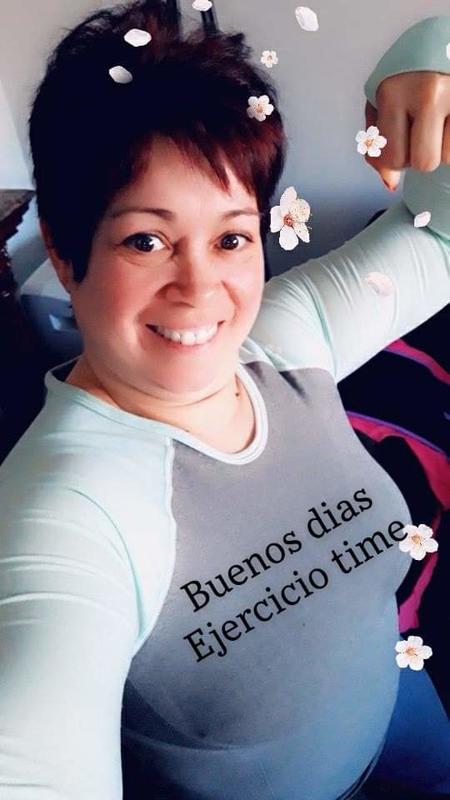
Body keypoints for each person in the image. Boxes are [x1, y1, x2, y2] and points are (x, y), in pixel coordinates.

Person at [0, 2, 449, 798]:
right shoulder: (67, 509)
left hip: (407, 712)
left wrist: (435, 46)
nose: (201, 288)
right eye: (146, 240)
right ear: (67, 255)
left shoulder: (284, 339)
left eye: (231, 237)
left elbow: (442, 235)